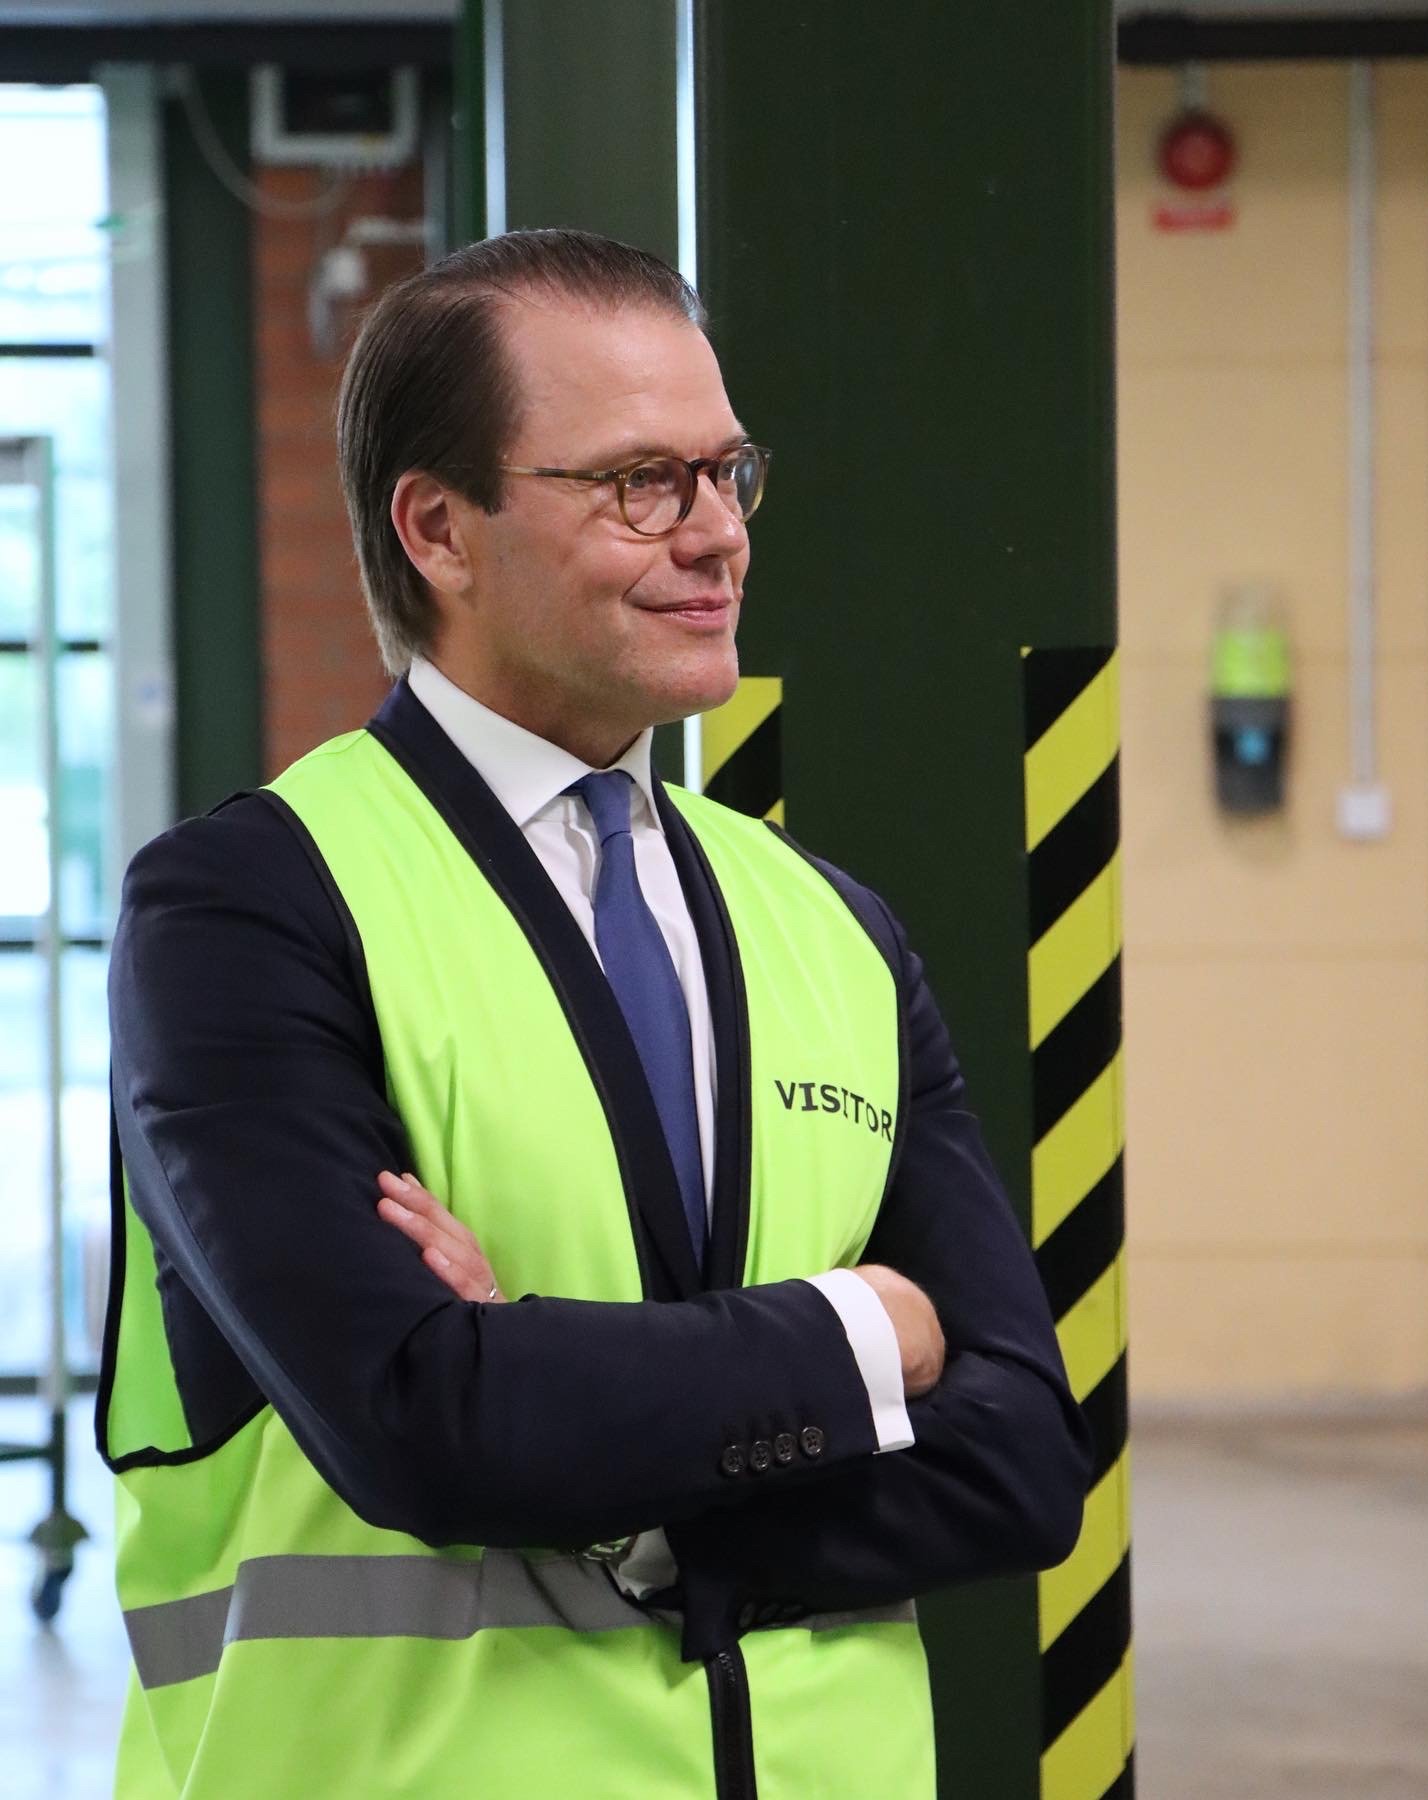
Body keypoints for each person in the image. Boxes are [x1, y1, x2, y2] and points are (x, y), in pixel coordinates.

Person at [101, 228, 1089, 1799]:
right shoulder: (249, 911)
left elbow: (1025, 1458)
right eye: (642, 484)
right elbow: (425, 1425)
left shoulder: (832, 928)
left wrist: (621, 1490)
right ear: (438, 528)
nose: (719, 535)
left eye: (728, 473)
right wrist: (870, 1331)